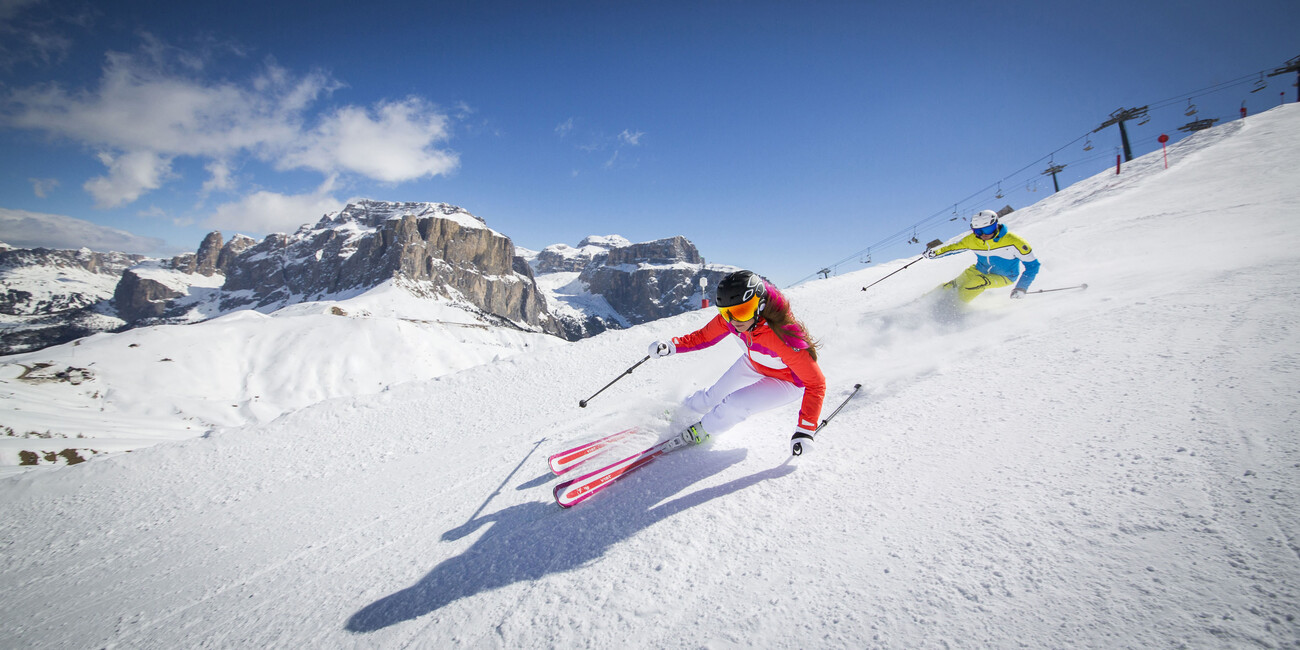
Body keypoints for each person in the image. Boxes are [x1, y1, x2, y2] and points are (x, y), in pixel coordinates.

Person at [647, 270, 826, 455]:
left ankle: (705, 429)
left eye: (742, 311)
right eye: (726, 313)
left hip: (787, 381)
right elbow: (703, 337)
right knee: (713, 396)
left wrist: (805, 430)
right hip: (753, 363)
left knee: (735, 404)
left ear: (761, 305)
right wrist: (671, 346)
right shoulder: (733, 317)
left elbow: (816, 383)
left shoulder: (783, 337)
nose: (733, 320)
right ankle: (684, 410)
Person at [924, 209, 1040, 302]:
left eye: (988, 229)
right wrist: (935, 253)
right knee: (950, 286)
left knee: (976, 283)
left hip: (1005, 277)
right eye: (978, 231)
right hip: (979, 269)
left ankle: (953, 309)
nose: (983, 234)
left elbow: (1033, 266)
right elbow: (953, 248)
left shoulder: (1015, 242)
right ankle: (921, 303)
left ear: (996, 225)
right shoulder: (973, 239)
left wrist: (1021, 287)